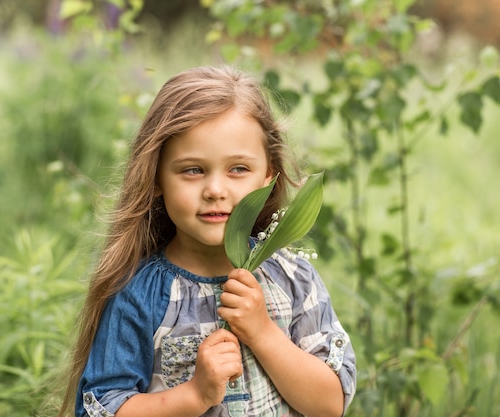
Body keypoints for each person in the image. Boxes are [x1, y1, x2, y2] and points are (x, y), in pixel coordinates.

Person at [58, 65, 356, 417]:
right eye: (193, 170)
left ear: (267, 177)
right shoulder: (140, 295)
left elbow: (331, 403)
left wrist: (263, 333)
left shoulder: (293, 279)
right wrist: (194, 395)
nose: (216, 190)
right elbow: (99, 408)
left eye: (238, 169)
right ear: (155, 179)